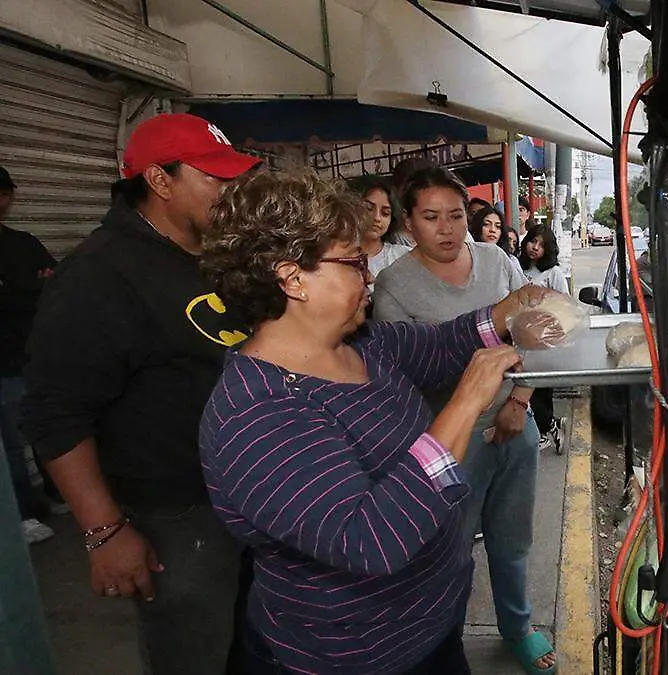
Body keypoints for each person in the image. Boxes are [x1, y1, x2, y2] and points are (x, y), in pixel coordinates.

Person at [197, 169, 550, 674]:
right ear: (292, 278)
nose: (368, 276)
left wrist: (508, 310)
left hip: (432, 623)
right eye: (352, 263)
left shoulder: (364, 345)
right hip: (362, 656)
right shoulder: (255, 413)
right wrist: (467, 401)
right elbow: (371, 539)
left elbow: (441, 344)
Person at [20, 113, 260, 675]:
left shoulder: (213, 255)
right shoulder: (100, 275)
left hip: (244, 496)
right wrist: (104, 531)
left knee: (252, 646)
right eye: (215, 178)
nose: (231, 193)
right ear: (159, 180)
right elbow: (55, 415)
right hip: (175, 515)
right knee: (193, 653)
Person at [373, 167, 557, 675]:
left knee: (513, 537)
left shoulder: (498, 260)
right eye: (431, 217)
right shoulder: (394, 285)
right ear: (408, 223)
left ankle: (517, 627)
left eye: (456, 214)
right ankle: (442, 641)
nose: (448, 228)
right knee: (450, 552)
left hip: (515, 422)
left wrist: (519, 400)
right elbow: (405, 373)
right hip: (449, 441)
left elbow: (536, 330)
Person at [0, 165, 59, 543]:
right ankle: (21, 514)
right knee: (8, 442)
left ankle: (52, 495)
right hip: (10, 359)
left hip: (25, 354)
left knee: (40, 429)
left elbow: (53, 287)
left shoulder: (23, 243)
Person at [517, 228, 569, 450]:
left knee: (538, 386)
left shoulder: (553, 273)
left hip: (543, 339)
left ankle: (546, 428)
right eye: (531, 241)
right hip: (519, 337)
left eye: (540, 244)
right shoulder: (517, 267)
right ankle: (549, 426)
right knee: (521, 385)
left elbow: (565, 304)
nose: (534, 247)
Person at [361, 179, 410, 279]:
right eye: (368, 208)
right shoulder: (337, 258)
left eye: (385, 213)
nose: (377, 218)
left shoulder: (403, 256)